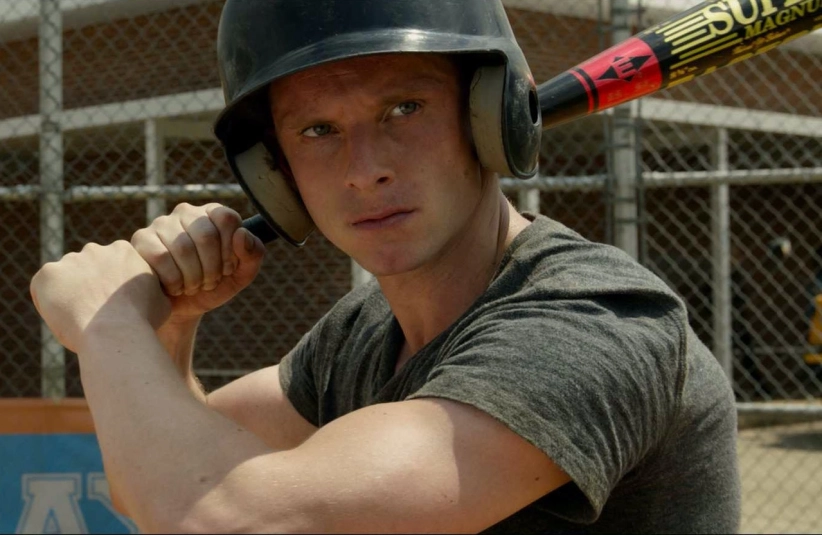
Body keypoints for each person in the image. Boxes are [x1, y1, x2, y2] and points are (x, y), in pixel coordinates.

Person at [29, 1, 740, 532]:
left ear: (490, 118)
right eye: (318, 131)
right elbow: (160, 470)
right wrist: (170, 326)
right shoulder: (364, 332)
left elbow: (222, 515)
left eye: (404, 107)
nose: (364, 170)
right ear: (276, 175)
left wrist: (110, 319)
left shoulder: (593, 322)